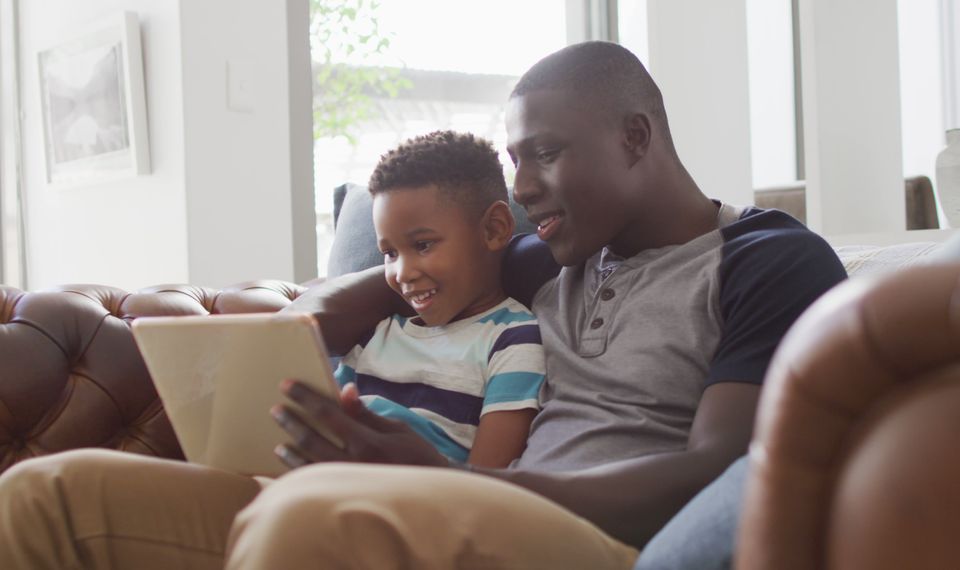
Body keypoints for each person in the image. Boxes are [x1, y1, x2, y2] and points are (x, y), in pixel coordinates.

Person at [0, 41, 846, 569]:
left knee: (315, 518)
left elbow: (721, 475)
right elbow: (334, 311)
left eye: (544, 154)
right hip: (450, 513)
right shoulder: (542, 259)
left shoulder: (768, 261)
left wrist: (439, 477)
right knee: (47, 493)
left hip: (598, 544)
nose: (522, 188)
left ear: (635, 136)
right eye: (515, 162)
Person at [322, 130, 544, 469]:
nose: (403, 272)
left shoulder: (514, 341)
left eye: (423, 246)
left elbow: (487, 482)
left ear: (494, 229)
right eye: (390, 253)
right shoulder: (375, 336)